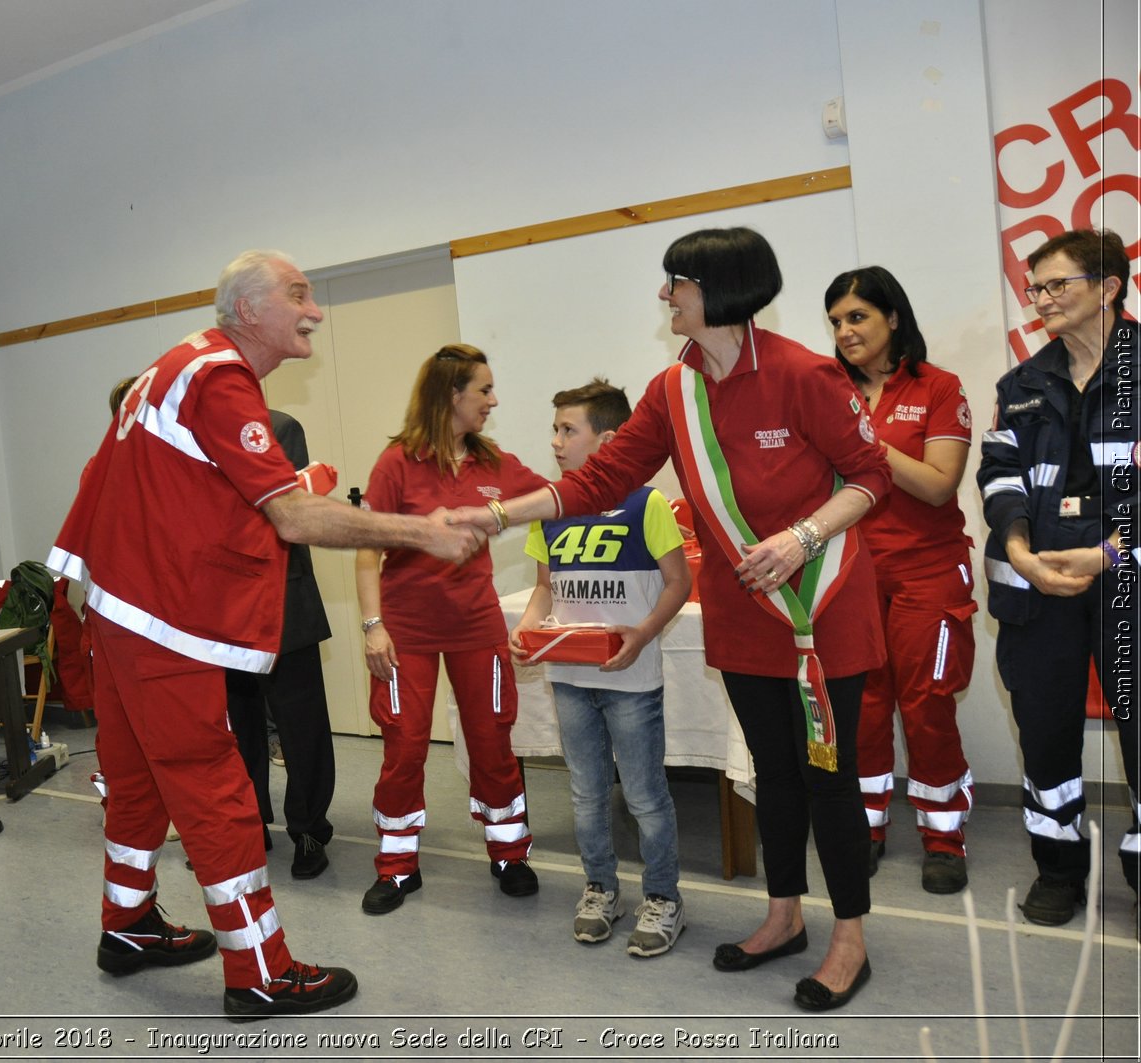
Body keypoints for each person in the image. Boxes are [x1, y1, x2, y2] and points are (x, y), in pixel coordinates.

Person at [451, 228, 889, 1011]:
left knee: (830, 781)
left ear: (720, 290)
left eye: (676, 282)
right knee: (775, 777)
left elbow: (870, 477)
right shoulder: (671, 391)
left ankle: (849, 936)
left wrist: (801, 537)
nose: (665, 295)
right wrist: (499, 516)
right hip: (743, 618)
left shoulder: (804, 374)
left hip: (821, 613)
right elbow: (603, 477)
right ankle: (784, 915)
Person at [47, 249, 483, 1021]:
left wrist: (294, 485)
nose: (314, 310)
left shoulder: (178, 366)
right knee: (215, 786)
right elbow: (290, 517)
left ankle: (128, 922)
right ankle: (258, 970)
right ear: (249, 311)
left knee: (138, 775)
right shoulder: (220, 377)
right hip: (159, 616)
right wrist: (420, 532)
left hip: (118, 603)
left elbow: (187, 486)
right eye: (299, 294)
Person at [977, 228, 1140, 928]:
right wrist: (1018, 549)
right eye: (1034, 286)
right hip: (1037, 580)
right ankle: (1057, 866)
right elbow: (998, 476)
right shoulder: (1021, 384)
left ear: (1107, 288)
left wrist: (1109, 552)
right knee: (1044, 730)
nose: (1039, 298)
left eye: (1056, 284)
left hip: (1127, 575)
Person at [355, 343, 550, 914]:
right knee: (405, 746)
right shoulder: (397, 463)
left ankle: (509, 854)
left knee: (492, 742)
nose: (494, 400)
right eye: (484, 390)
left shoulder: (494, 464)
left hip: (475, 627)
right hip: (405, 631)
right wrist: (373, 627)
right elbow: (367, 552)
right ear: (451, 395)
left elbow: (556, 497)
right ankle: (396, 867)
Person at [509, 378, 692, 956]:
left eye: (570, 430)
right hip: (569, 679)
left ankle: (663, 898)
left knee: (644, 796)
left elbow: (679, 582)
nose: (557, 442)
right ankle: (600, 889)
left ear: (608, 441)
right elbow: (545, 589)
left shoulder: (647, 503)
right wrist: (528, 628)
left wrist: (642, 634)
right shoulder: (551, 508)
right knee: (587, 794)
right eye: (555, 430)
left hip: (630, 681)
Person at [824, 267, 977, 896]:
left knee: (927, 702)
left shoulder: (939, 387)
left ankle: (943, 837)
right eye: (835, 321)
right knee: (860, 706)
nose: (844, 330)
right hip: (851, 570)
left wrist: (865, 440)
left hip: (928, 568)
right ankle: (868, 826)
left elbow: (940, 485)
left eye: (857, 316)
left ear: (893, 318)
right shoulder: (828, 388)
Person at [225, 409, 338, 880]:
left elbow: (285, 514)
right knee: (239, 729)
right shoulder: (194, 436)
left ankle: (309, 828)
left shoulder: (279, 428)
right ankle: (250, 825)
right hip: (224, 609)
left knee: (301, 726)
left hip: (282, 603)